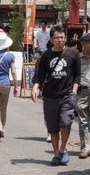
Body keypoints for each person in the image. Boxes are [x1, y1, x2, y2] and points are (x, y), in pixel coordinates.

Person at [31, 25, 80, 166]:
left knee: (66, 123)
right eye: (57, 38)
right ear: (51, 39)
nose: (60, 40)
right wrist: (35, 87)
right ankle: (56, 154)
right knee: (52, 128)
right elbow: (40, 76)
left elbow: (77, 75)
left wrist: (74, 92)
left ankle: (63, 149)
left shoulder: (73, 53)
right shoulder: (46, 55)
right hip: (50, 96)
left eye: (63, 37)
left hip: (67, 95)